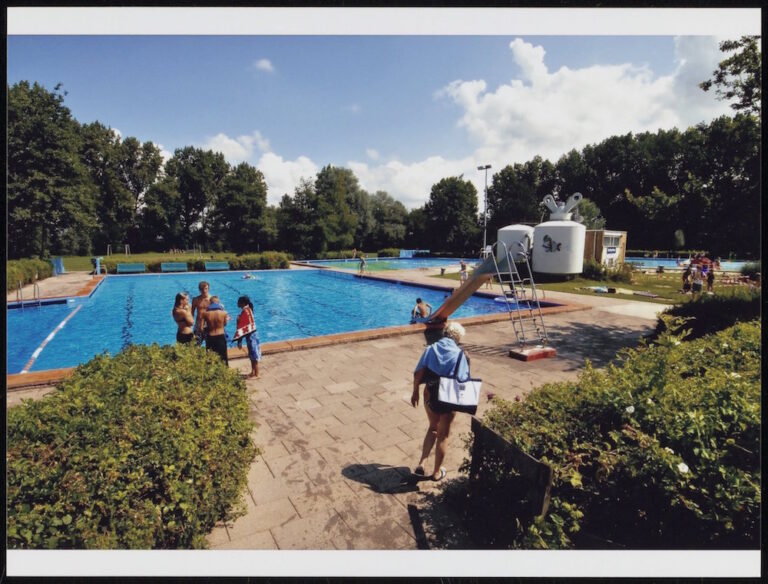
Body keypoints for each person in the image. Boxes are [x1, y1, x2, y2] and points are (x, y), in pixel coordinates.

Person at [411, 321, 470, 481]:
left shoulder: (430, 349)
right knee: (443, 435)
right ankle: (436, 473)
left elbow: (419, 373)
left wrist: (415, 391)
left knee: (432, 427)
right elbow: (463, 379)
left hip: (430, 396)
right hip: (449, 400)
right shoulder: (460, 354)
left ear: (445, 333)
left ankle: (422, 463)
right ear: (458, 338)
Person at [235, 295, 261, 378]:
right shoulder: (247, 309)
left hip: (251, 335)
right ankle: (253, 371)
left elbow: (242, 327)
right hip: (253, 334)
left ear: (242, 303)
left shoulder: (245, 312)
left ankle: (256, 373)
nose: (237, 303)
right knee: (252, 354)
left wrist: (239, 341)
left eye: (238, 302)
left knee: (254, 354)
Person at [203, 295, 230, 365]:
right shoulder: (224, 313)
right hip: (220, 336)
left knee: (210, 359)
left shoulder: (205, 314)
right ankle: (224, 375)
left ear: (210, 303)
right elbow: (225, 324)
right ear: (218, 303)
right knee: (223, 358)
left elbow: (201, 327)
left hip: (210, 337)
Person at [191, 281, 212, 345]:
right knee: (196, 344)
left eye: (206, 288)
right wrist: (191, 323)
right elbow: (192, 312)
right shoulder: (195, 299)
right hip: (198, 324)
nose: (204, 290)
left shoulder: (212, 299)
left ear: (208, 289)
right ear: (199, 289)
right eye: (202, 289)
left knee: (209, 345)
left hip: (208, 324)